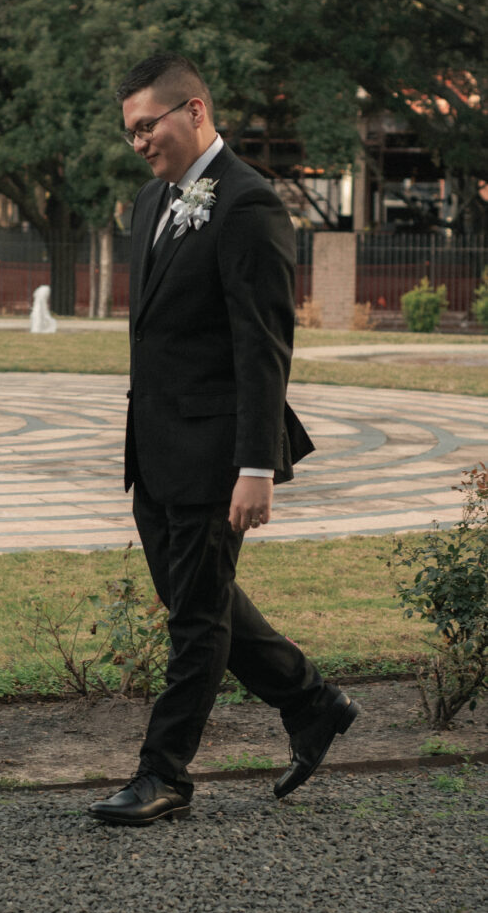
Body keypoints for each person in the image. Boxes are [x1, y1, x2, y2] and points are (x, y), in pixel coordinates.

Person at [88, 54, 359, 827]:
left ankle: (162, 773)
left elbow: (262, 345)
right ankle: (310, 703)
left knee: (196, 620)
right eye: (131, 131)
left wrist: (255, 466)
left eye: (149, 126)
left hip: (215, 455)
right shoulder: (150, 202)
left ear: (194, 112)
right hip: (155, 448)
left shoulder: (247, 204)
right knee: (191, 599)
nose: (139, 142)